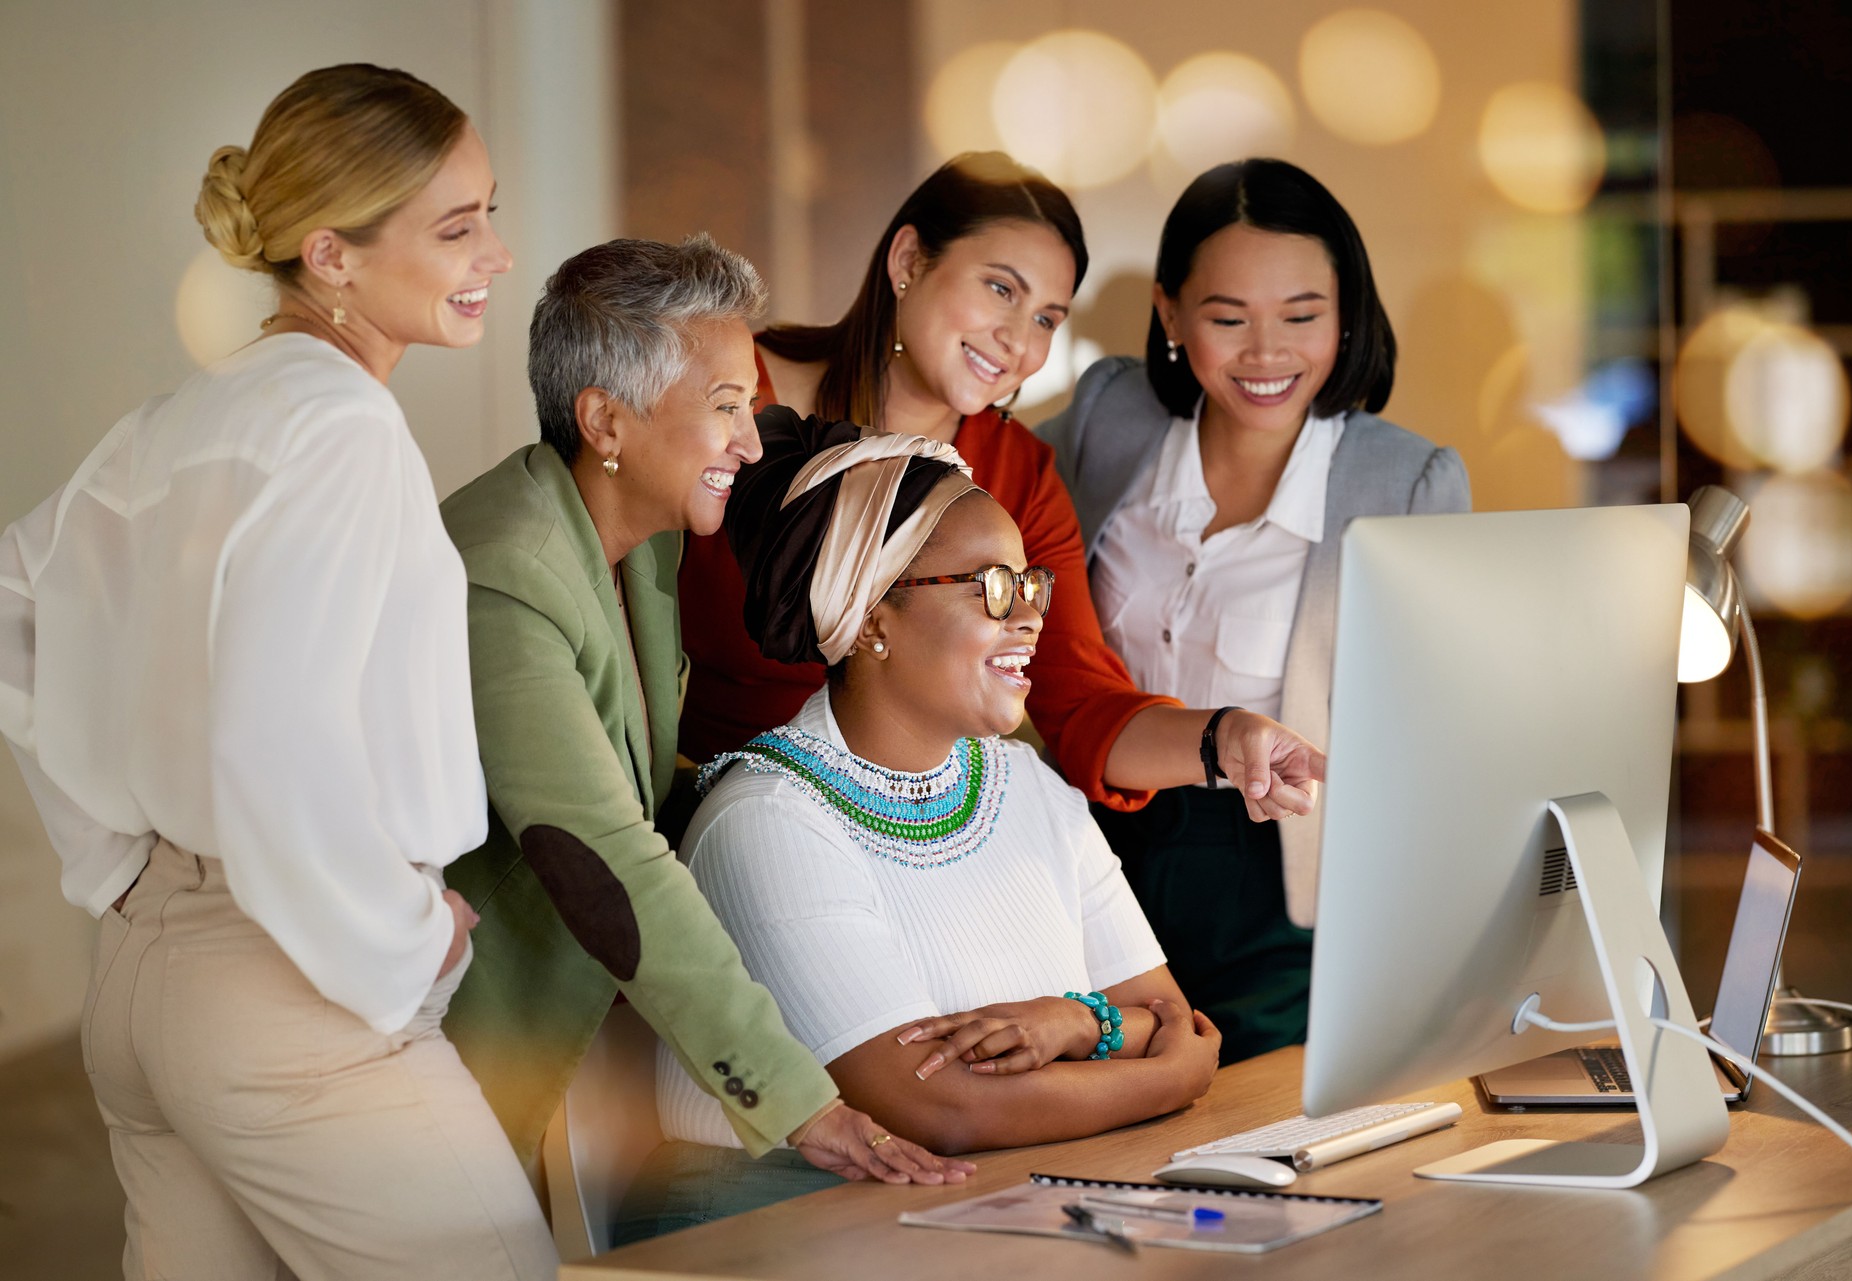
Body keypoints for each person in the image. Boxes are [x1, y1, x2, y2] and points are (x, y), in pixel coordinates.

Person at [0, 65, 559, 1277]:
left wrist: (120, 861)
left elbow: (13, 605)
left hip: (148, 987)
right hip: (293, 997)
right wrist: (404, 943)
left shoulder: (174, 424)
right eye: (457, 227)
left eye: (489, 213)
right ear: (331, 255)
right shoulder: (340, 428)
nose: (496, 255)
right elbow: (278, 742)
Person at [438, 237, 971, 1197]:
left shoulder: (642, 545)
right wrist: (799, 1101)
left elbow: (640, 780)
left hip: (540, 1050)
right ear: (604, 419)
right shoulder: (507, 573)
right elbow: (600, 845)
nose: (752, 443)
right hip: (424, 1042)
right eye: (725, 407)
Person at [630, 410, 1222, 1238]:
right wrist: (1168, 1074)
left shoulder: (1028, 783)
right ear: (872, 616)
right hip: (778, 1231)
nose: (1029, 617)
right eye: (992, 586)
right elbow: (938, 1106)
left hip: (984, 1208)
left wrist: (1072, 1021)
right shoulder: (767, 820)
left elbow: (1168, 1012)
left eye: (1031, 582)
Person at [677, 152, 1322, 827]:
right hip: (722, 811)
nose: (1019, 340)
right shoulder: (728, 392)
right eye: (1001, 289)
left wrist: (1224, 738)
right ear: (908, 262)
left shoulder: (1019, 475)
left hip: (914, 827)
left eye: (1047, 318)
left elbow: (1082, 704)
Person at [1038, 158, 1472, 1064]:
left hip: (1278, 873)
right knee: (1096, 1123)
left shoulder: (1406, 482)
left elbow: (1437, 746)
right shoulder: (1108, 418)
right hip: (1090, 847)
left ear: (1346, 312)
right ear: (1169, 314)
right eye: (1228, 318)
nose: (1266, 354)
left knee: (1251, 1134)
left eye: (1302, 317)